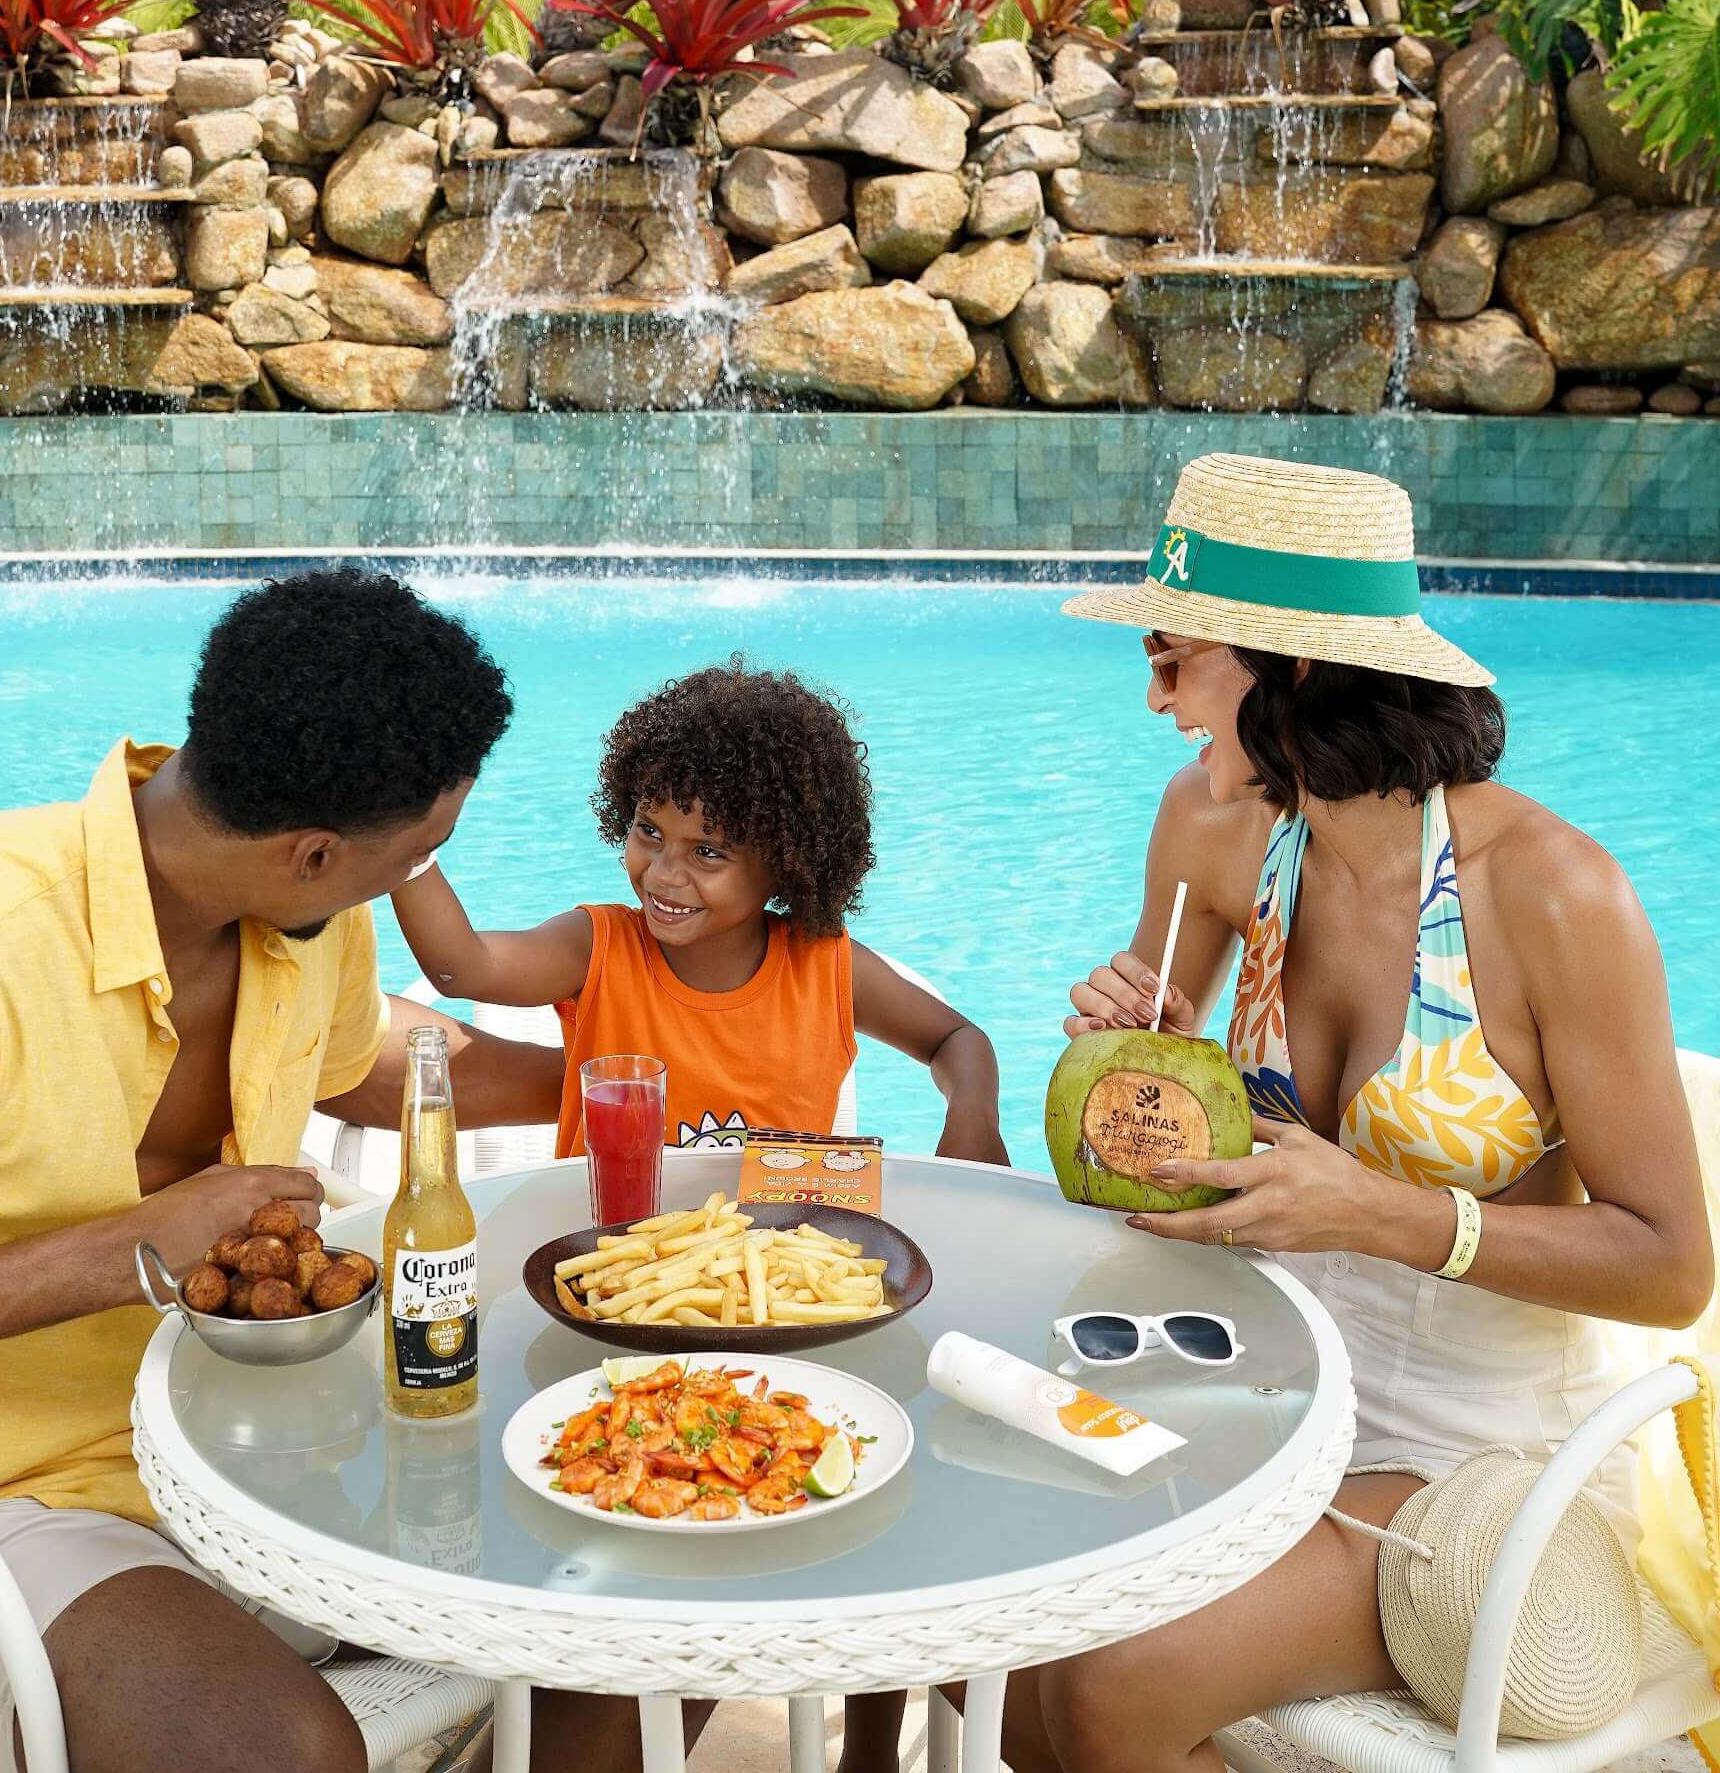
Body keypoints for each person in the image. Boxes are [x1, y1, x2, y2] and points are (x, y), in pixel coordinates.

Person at [0, 565, 565, 1773]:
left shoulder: (304, 915)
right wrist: (122, 1255)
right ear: (314, 853)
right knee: (270, 1752)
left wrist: (613, 1069)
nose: (417, 879)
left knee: (629, 1564)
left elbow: (368, 1063)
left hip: (260, 1468)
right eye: (417, 855)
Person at [981, 449, 1713, 1773]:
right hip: (1265, 1390)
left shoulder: (1553, 898)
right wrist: (1120, 1067)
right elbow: (1163, 1138)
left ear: (1290, 669)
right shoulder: (1213, 834)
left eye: (1173, 659)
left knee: (1111, 1681)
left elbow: (1671, 1265)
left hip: (1487, 1461)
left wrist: (1387, 1213)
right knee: (1008, 1633)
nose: (1154, 701)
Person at [395, 657, 1005, 1773]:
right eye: (645, 831)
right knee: (642, 1618)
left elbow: (959, 1039)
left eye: (708, 849)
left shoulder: (825, 964)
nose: (662, 874)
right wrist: (409, 838)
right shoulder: (599, 945)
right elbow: (459, 958)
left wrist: (972, 1118)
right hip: (609, 1326)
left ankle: (871, 1743)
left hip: (791, 1331)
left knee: (889, 1505)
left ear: (787, 861)